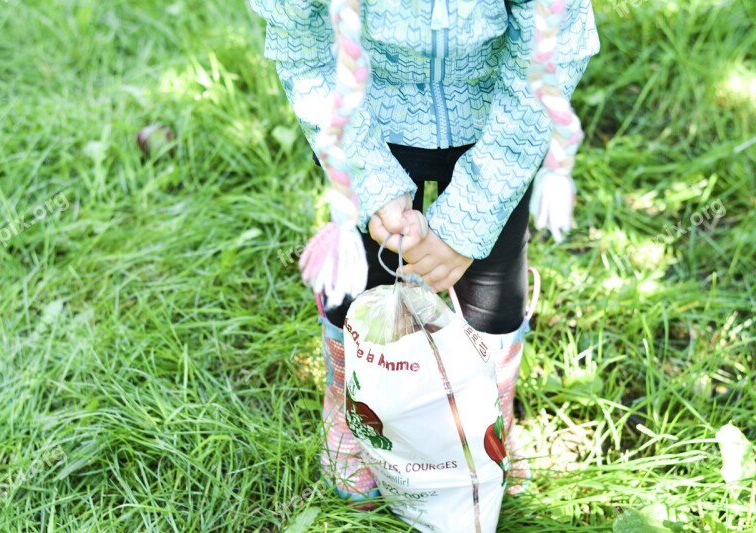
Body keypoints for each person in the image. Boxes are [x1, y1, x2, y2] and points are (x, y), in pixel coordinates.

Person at [249, 0, 600, 502]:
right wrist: (370, 182)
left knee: (492, 273)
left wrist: (469, 219)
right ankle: (353, 404)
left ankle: (489, 411)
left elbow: (552, 51)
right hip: (366, 113)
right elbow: (303, 46)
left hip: (499, 118)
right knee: (368, 270)